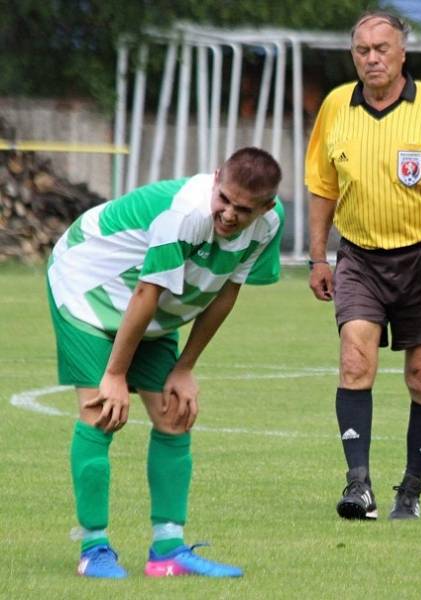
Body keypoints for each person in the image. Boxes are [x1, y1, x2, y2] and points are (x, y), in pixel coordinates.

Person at [47, 147, 285, 578]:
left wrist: (184, 367)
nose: (229, 214)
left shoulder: (268, 225)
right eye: (224, 199)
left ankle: (168, 551)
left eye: (242, 209)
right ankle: (93, 548)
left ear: (266, 207)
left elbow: (226, 292)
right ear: (215, 179)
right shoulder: (186, 213)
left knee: (175, 417)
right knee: (101, 411)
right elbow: (145, 293)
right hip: (87, 284)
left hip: (152, 302)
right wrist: (116, 375)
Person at [305, 11, 421, 521]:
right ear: (354, 57)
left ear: (402, 54)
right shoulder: (335, 107)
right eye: (363, 50)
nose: (373, 58)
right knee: (354, 359)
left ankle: (410, 491)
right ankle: (357, 486)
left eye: (382, 48)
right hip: (361, 257)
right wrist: (318, 256)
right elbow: (322, 187)